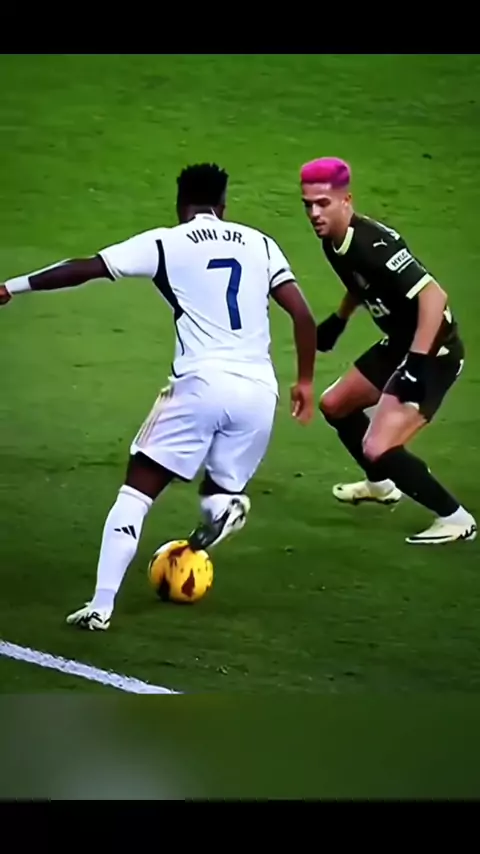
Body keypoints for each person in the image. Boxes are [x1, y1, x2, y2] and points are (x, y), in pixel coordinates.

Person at [1, 162, 317, 630]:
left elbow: (84, 269)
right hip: (258, 393)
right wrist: (305, 381)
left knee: (136, 492)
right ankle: (223, 508)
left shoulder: (166, 242)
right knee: (218, 492)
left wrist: (11, 287)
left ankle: (101, 606)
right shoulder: (261, 243)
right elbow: (303, 315)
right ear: (224, 205)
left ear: (180, 203)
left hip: (201, 384)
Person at [300, 155, 476, 545]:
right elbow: (361, 283)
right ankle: (381, 486)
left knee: (378, 446)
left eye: (323, 204)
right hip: (400, 343)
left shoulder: (372, 244)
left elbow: (434, 297)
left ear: (346, 200)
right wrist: (339, 319)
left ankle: (455, 518)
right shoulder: (333, 240)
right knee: (336, 405)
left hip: (434, 351)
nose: (314, 214)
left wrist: (416, 366)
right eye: (307, 205)